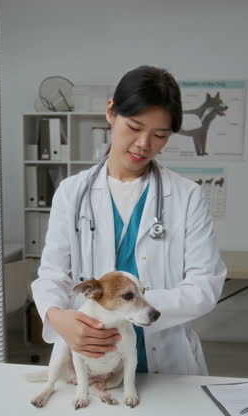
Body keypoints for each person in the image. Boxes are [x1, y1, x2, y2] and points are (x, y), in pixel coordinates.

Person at [31, 65, 227, 375]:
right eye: (134, 127)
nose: (143, 144)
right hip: (92, 353)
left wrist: (130, 306)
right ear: (111, 112)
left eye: (159, 135)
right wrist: (57, 317)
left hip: (165, 359)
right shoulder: (72, 192)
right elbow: (53, 274)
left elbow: (205, 286)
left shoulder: (187, 196)